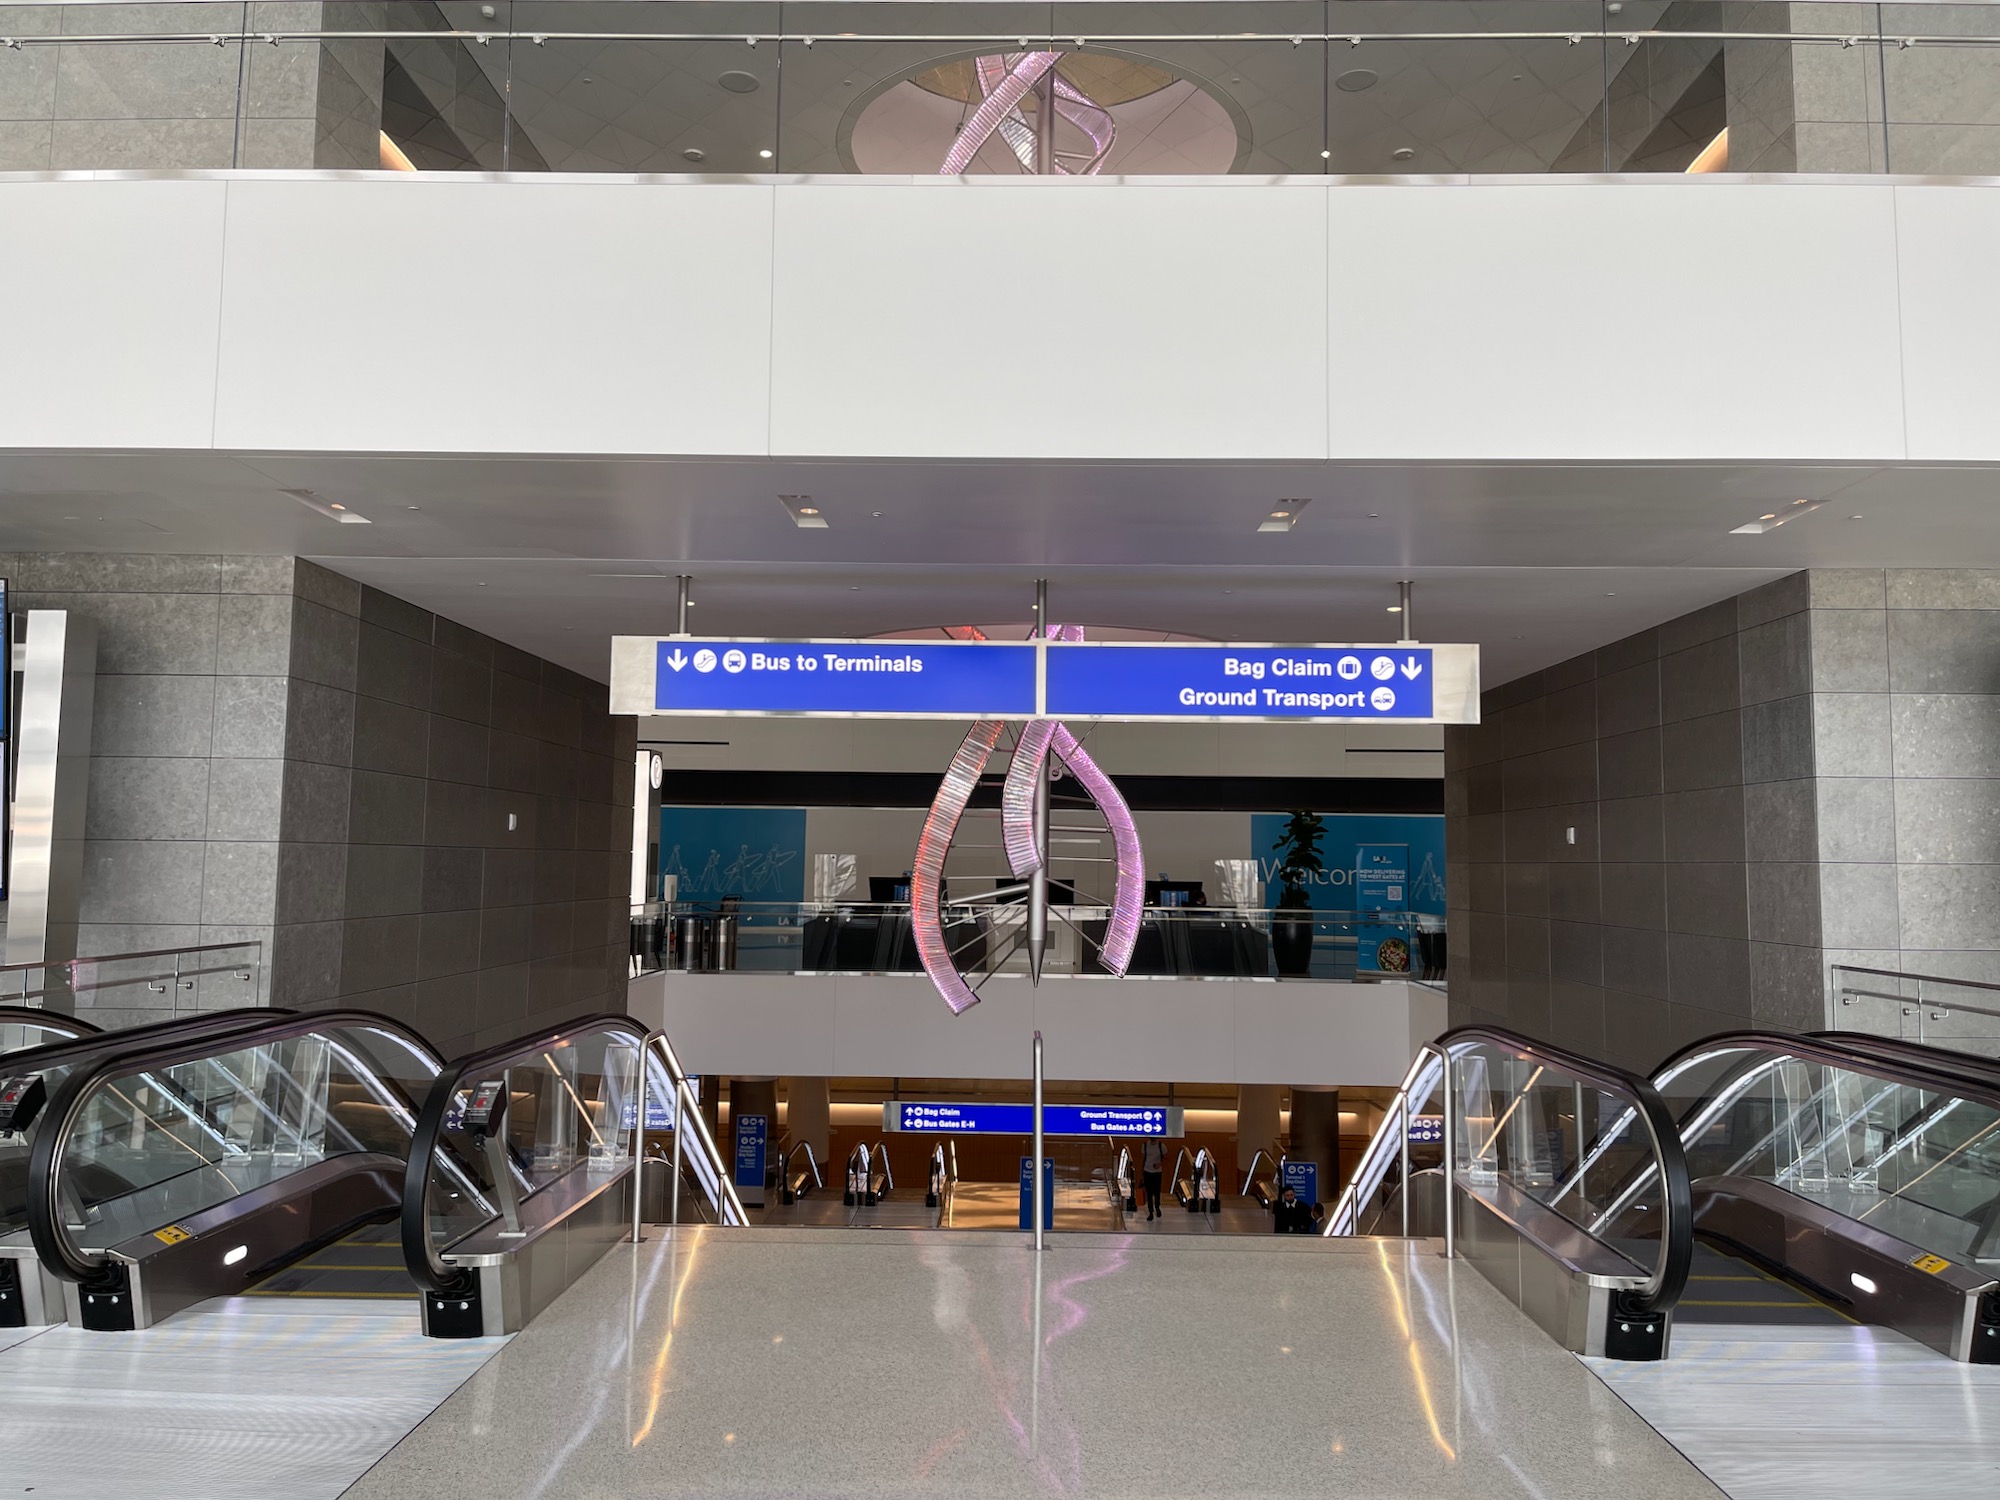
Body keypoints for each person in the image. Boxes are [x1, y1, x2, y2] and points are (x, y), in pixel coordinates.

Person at [1141, 1137, 1165, 1221]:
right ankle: (1150, 1211)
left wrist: (1160, 1164)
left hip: (1157, 1172)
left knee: (1157, 1191)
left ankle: (1157, 1207)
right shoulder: (1145, 1145)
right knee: (1149, 1192)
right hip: (1147, 1171)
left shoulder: (1161, 1146)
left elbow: (1166, 1157)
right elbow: (1143, 1158)